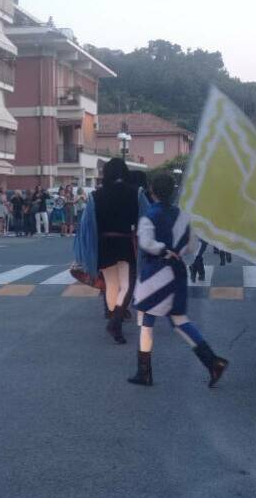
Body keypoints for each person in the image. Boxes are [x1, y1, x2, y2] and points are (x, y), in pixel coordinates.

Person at [128, 173, 229, 387]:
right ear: (173, 192)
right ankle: (212, 362)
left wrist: (163, 249)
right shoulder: (184, 216)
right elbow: (192, 246)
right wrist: (176, 250)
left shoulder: (149, 215)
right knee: (180, 320)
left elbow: (145, 242)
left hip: (155, 273)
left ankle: (144, 372)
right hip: (177, 271)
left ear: (152, 191)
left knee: (147, 321)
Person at [93, 159, 139, 344]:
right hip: (124, 241)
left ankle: (114, 318)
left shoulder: (97, 195)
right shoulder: (133, 193)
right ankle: (116, 322)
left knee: (111, 284)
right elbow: (137, 219)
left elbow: (91, 223)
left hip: (104, 242)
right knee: (127, 285)